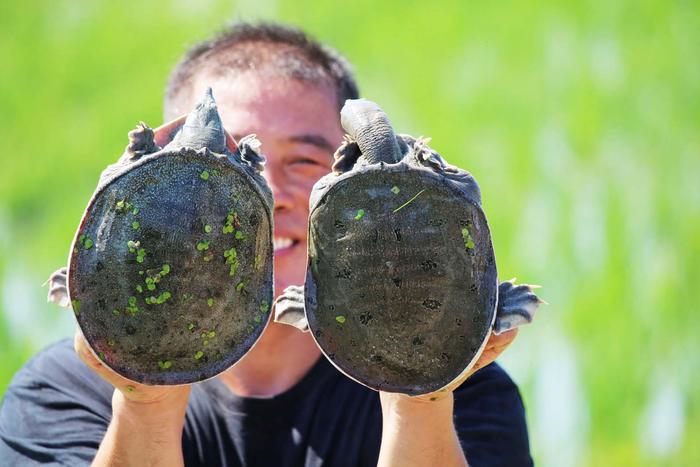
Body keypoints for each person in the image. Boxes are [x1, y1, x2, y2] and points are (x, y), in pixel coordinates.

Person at [0, 22, 532, 466]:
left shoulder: (469, 391)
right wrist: (145, 397)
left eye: (303, 162)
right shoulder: (64, 391)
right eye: (237, 163)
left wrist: (419, 393)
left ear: (349, 176)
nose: (272, 195)